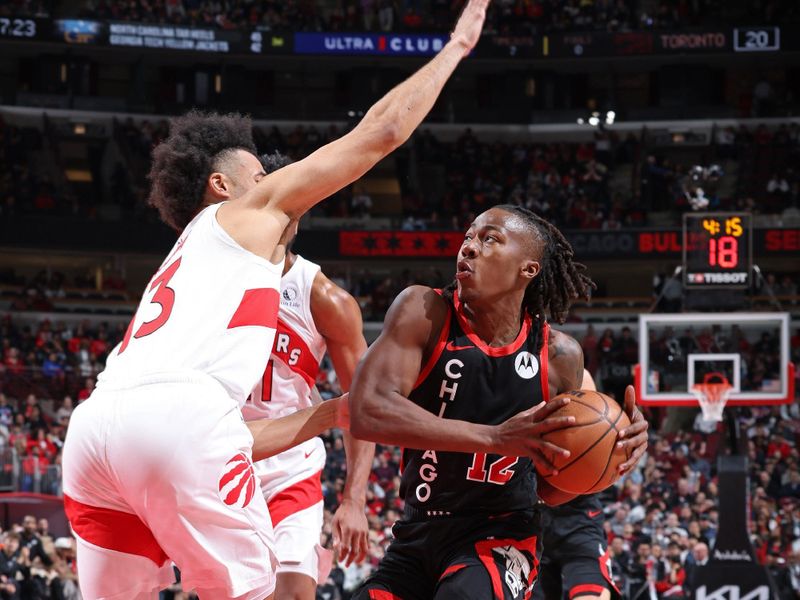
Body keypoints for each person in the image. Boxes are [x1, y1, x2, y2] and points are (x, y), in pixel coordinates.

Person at [61, 3, 492, 598]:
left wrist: (333, 415)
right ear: (223, 186)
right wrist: (456, 48)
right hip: (182, 425)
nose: (273, 184)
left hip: (94, 430)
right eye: (260, 174)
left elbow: (218, 433)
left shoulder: (187, 260)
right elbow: (381, 133)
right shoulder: (242, 214)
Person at [349, 205, 648, 599]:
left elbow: (550, 488)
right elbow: (366, 411)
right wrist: (495, 438)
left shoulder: (559, 356)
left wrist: (610, 458)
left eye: (490, 239)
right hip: (416, 533)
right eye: (469, 237)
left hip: (502, 535)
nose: (469, 247)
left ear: (528, 269)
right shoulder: (424, 311)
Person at [241, 152, 374, 599]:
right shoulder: (211, 278)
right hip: (222, 458)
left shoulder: (325, 299)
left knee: (295, 593)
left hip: (288, 465)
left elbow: (363, 402)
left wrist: (354, 497)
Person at [533, 370, 621, 600]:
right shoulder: (502, 375)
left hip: (576, 513)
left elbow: (594, 436)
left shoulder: (573, 370)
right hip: (524, 514)